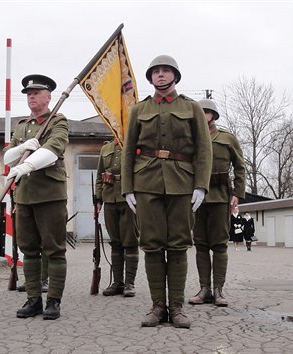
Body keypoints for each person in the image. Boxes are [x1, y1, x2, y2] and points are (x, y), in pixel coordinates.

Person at [121, 55, 212, 328]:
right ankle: (158, 306)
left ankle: (177, 308)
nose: (160, 75)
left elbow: (204, 149)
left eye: (166, 71)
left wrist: (201, 185)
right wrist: (128, 188)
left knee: (178, 245)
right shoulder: (139, 110)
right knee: (151, 245)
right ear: (150, 78)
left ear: (175, 76)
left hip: (182, 183)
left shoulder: (192, 107)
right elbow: (128, 151)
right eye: (156, 72)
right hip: (146, 183)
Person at [4, 74, 69, 320]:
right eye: (29, 94)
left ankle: (53, 300)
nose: (31, 97)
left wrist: (26, 166)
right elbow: (8, 158)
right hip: (25, 195)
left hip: (50, 195)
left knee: (54, 250)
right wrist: (20, 150)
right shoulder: (22, 125)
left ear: (48, 96)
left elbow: (53, 151)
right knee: (28, 249)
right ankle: (33, 299)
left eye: (36, 93)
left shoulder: (58, 122)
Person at [188, 99, 245, 308]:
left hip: (220, 196)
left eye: (207, 112)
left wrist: (238, 193)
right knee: (201, 244)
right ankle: (205, 290)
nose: (203, 115)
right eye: (200, 112)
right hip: (196, 198)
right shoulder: (191, 139)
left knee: (220, 245)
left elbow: (240, 166)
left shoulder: (227, 138)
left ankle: (219, 290)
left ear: (214, 115)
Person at [95, 138, 139, 297]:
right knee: (115, 242)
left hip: (129, 199)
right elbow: (100, 176)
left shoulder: (135, 145)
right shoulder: (106, 148)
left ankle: (129, 283)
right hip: (110, 198)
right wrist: (98, 199)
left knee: (131, 241)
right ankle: (118, 282)